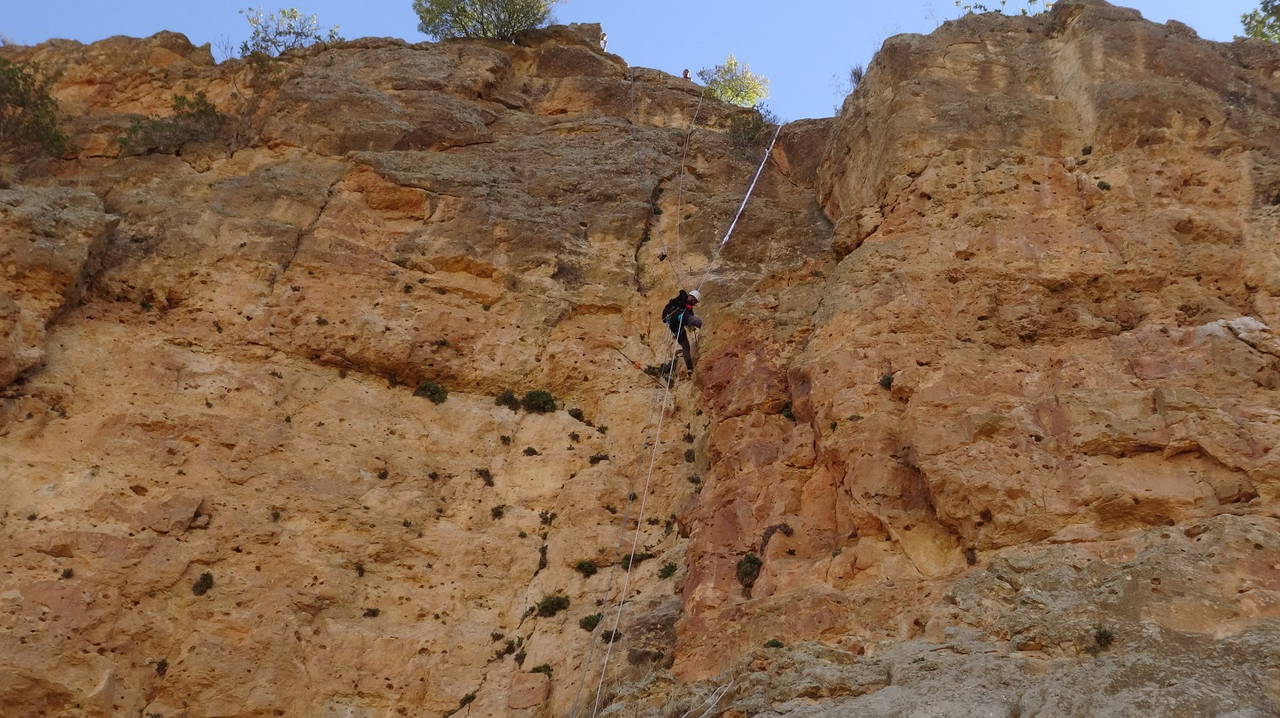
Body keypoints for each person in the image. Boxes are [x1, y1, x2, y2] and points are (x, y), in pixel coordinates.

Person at [661, 289, 703, 374]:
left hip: (674, 326)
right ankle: (707, 328)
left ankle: (690, 368)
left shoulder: (687, 305)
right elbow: (683, 296)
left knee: (685, 346)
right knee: (698, 321)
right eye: (694, 300)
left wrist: (691, 327)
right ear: (692, 297)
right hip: (678, 318)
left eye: (695, 302)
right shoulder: (683, 298)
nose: (694, 303)